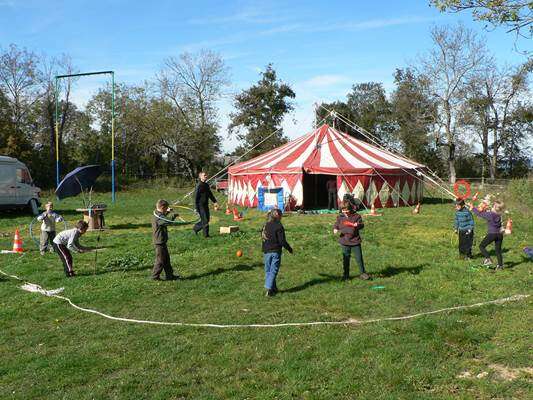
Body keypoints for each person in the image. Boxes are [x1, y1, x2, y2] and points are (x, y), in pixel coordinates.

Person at [333, 200, 369, 280]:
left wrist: (358, 225)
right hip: (344, 241)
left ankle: (363, 273)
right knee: (346, 259)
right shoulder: (340, 217)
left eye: (347, 210)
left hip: (355, 241)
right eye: (343, 210)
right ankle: (346, 275)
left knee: (359, 258)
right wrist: (335, 228)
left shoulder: (356, 216)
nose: (345, 212)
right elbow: (336, 224)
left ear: (350, 209)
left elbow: (361, 225)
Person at [261, 208, 293, 297]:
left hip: (266, 251)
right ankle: (268, 288)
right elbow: (282, 241)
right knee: (273, 271)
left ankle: (273, 289)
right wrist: (289, 249)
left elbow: (263, 237)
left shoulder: (265, 225)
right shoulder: (279, 226)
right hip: (275, 251)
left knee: (268, 270)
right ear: (278, 216)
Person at [471, 200, 505, 270]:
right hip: (500, 235)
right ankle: (500, 266)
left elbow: (479, 214)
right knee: (498, 251)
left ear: (494, 207)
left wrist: (472, 208)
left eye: (493, 205)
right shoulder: (499, 215)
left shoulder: (490, 214)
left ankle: (488, 259)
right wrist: (484, 209)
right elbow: (485, 213)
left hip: (492, 234)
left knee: (481, 246)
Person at [152, 199, 180, 281]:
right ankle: (154, 276)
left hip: (162, 241)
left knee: (166, 260)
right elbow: (167, 222)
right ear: (162, 207)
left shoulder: (157, 213)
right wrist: (173, 216)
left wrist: (167, 212)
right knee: (160, 260)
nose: (167, 209)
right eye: (166, 208)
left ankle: (170, 275)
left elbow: (163, 217)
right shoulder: (158, 217)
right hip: (159, 242)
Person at [193, 171, 218, 238]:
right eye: (204, 175)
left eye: (206, 175)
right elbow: (195, 197)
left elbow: (210, 194)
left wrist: (215, 201)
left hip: (206, 205)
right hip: (200, 206)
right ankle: (206, 235)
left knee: (207, 219)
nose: (206, 176)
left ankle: (196, 228)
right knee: (205, 220)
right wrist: (195, 208)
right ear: (200, 177)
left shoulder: (206, 185)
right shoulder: (199, 185)